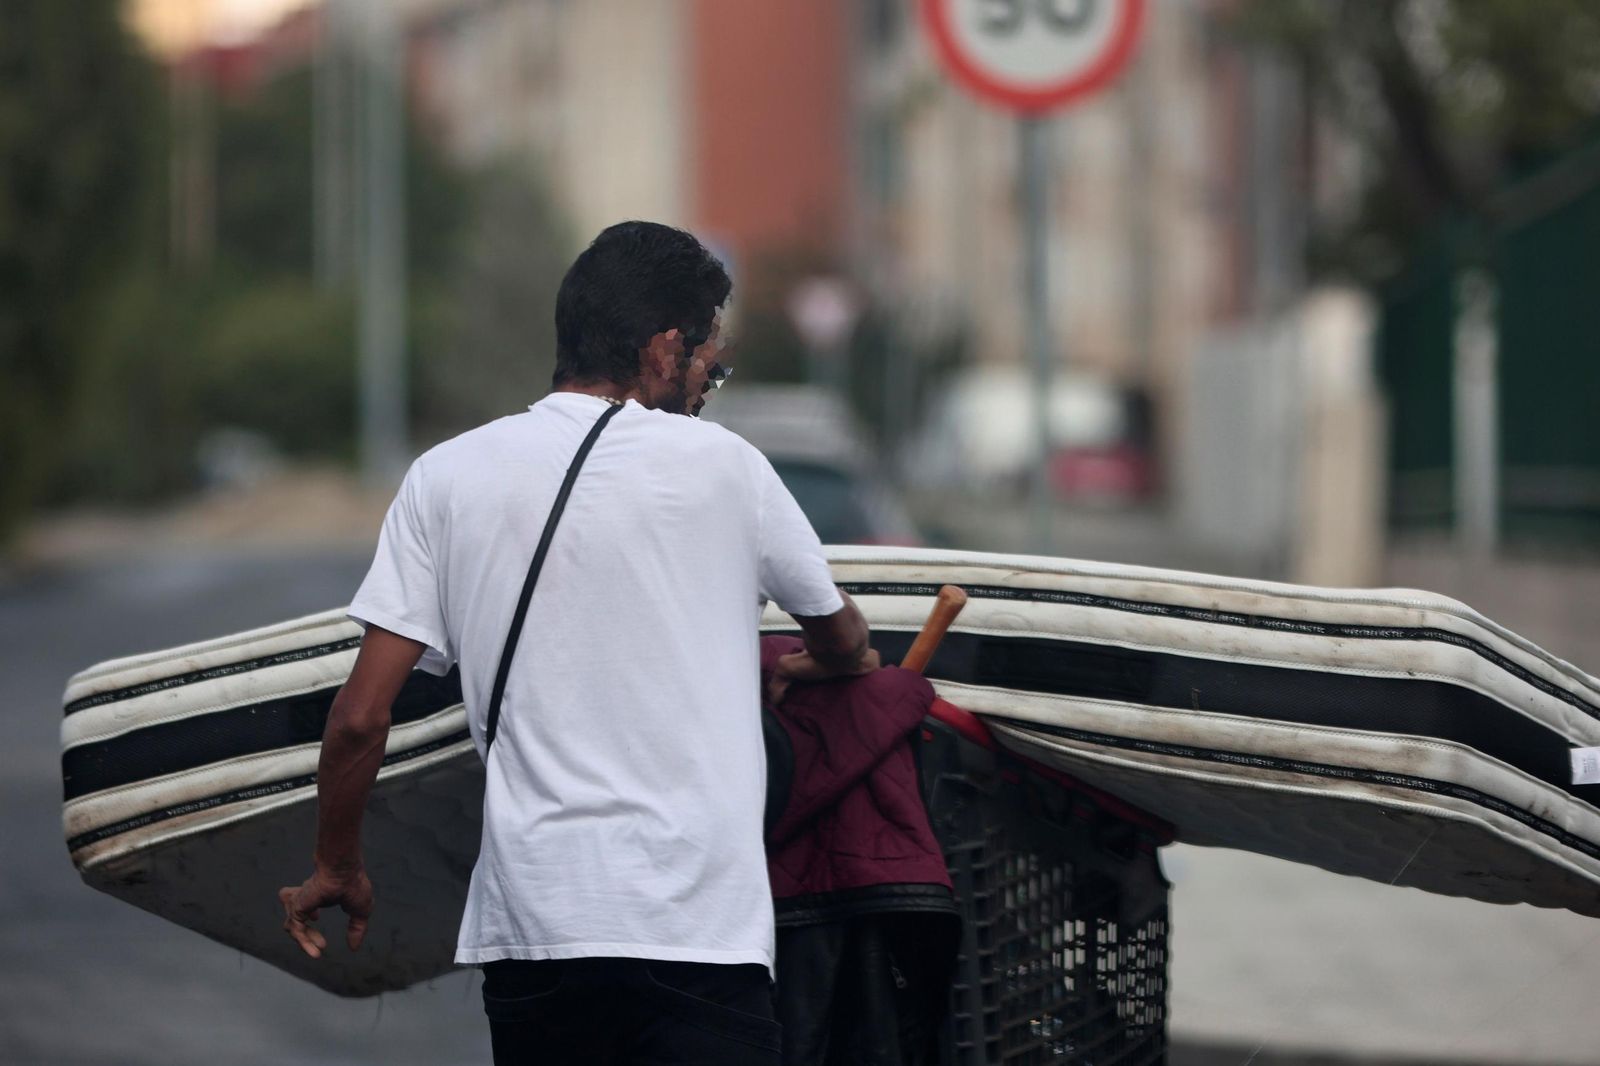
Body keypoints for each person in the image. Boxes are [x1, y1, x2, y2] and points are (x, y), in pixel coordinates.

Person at [278, 221, 878, 1064]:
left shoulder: (446, 476)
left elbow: (358, 717)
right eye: (714, 360)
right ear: (667, 349)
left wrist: (337, 863)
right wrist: (833, 660)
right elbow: (841, 631)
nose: (711, 383)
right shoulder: (727, 468)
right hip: (698, 931)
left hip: (536, 933)